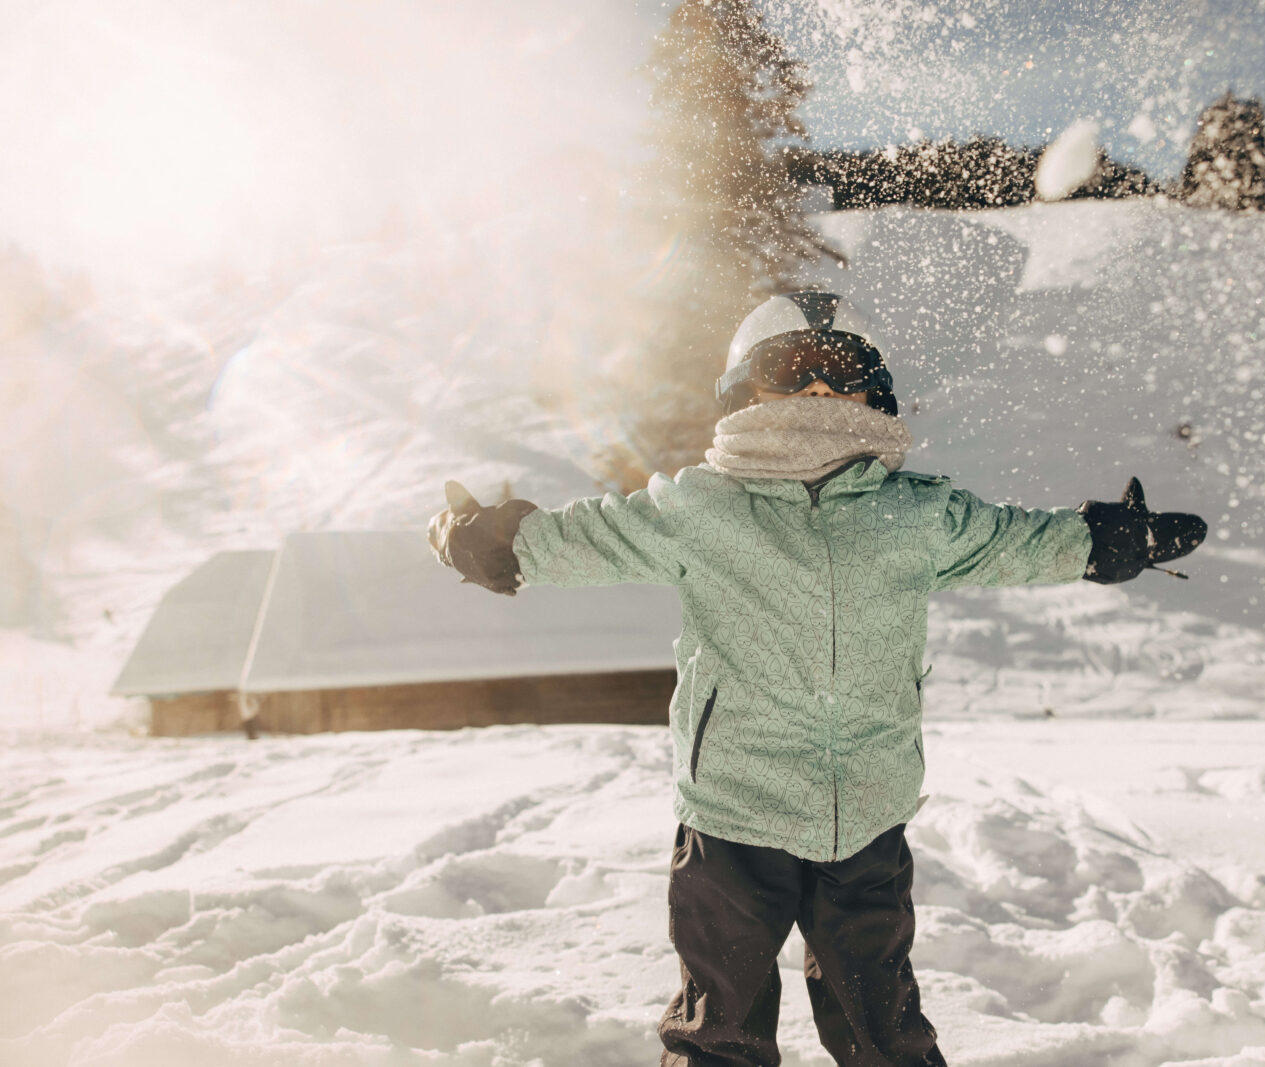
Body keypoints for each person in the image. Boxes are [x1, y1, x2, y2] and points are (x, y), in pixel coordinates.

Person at [428, 290, 1206, 1066]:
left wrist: (1104, 539)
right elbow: (584, 539)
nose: (818, 388)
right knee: (719, 1030)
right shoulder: (703, 507)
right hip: (733, 812)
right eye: (790, 367)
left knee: (886, 1028)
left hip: (865, 812)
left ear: (876, 388)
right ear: (743, 387)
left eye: (842, 368)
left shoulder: (916, 515)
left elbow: (1024, 540)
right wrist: (495, 542)